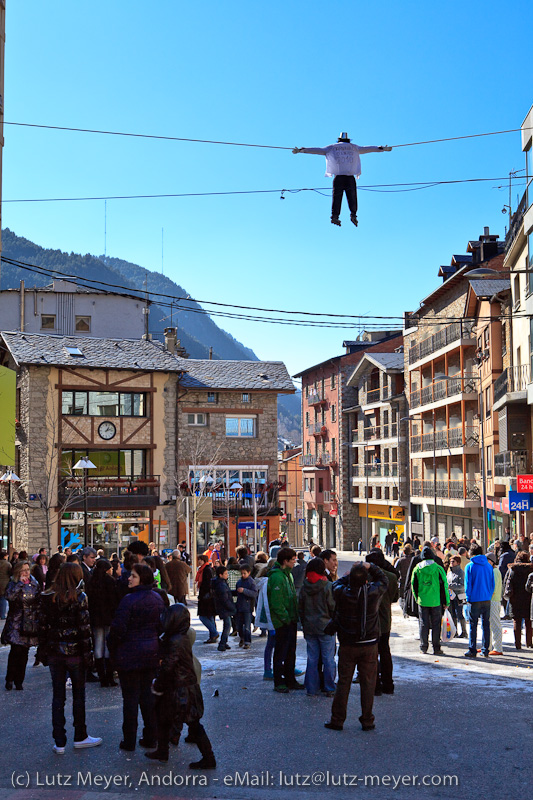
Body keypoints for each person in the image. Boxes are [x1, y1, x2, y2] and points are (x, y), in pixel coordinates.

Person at [37, 562, 102, 752]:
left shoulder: (48, 597)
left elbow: (42, 628)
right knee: (78, 696)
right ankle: (80, 735)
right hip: (75, 654)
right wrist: (88, 655)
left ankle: (59, 740)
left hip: (55, 652)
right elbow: (84, 629)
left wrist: (44, 651)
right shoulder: (79, 597)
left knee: (58, 697)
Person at [145, 604, 216, 769]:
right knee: (164, 719)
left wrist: (158, 683)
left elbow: (168, 666)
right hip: (180, 687)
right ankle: (162, 751)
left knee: (193, 724)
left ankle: (209, 758)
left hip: (181, 689)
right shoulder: (178, 637)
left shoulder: (176, 640)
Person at [107, 563, 165, 751]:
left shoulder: (129, 600)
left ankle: (129, 739)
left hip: (129, 655)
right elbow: (161, 626)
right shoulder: (157, 598)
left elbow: (118, 629)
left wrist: (113, 647)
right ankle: (151, 736)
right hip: (150, 653)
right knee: (148, 697)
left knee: (130, 699)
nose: (129, 578)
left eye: (133, 576)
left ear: (143, 579)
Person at [324, 562, 388, 732]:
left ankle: (337, 719)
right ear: (366, 580)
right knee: (368, 683)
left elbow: (335, 584)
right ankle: (367, 720)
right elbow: (384, 579)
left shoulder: (343, 593)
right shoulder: (373, 592)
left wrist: (347, 577)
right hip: (369, 644)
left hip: (348, 643)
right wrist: (371, 566)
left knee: (344, 682)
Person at [292, 132, 392, 227]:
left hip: (339, 177)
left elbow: (317, 150)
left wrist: (301, 150)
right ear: (348, 140)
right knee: (352, 197)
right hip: (349, 177)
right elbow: (369, 149)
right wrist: (382, 148)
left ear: (338, 140)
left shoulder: (332, 147)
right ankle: (353, 215)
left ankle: (335, 216)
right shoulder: (354, 147)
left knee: (337, 197)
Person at [298, 557, 336, 697]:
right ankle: (329, 687)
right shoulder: (327, 586)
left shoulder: (304, 587)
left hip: (309, 626)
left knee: (312, 658)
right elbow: (332, 607)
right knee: (328, 658)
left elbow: (300, 608)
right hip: (326, 626)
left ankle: (312, 688)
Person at [1, 560, 41, 690]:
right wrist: (19, 584)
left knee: (24, 652)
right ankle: (10, 678)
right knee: (15, 651)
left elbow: (39, 601)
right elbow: (9, 596)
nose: (26, 573)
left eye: (27, 570)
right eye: (23, 570)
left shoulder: (35, 583)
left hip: (30, 622)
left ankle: (19, 680)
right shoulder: (13, 583)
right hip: (16, 621)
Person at [267, 547, 302, 693]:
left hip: (290, 619)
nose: (295, 562)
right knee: (281, 652)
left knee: (290, 651)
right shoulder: (277, 577)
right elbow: (276, 603)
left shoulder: (288, 575)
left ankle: (290, 679)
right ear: (285, 561)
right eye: (293, 559)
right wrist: (285, 618)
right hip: (283, 622)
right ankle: (279, 681)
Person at [366, 549, 398, 695]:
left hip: (369, 620)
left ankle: (375, 685)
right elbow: (395, 598)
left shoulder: (364, 576)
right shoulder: (391, 577)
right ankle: (388, 684)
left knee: (372, 653)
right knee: (385, 651)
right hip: (385, 618)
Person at [86, 558, 120, 687]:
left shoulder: (91, 581)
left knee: (98, 645)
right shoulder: (110, 582)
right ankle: (109, 676)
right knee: (108, 646)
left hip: (95, 618)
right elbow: (114, 602)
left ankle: (102, 677)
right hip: (108, 617)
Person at [411, 546, 450, 655]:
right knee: (436, 624)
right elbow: (444, 586)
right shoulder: (438, 568)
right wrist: (446, 601)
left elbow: (413, 585)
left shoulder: (417, 568)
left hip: (423, 601)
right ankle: (436, 647)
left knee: (423, 624)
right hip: (436, 601)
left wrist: (417, 598)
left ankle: (424, 646)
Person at [464, 544, 495, 658]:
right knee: (486, 624)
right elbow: (492, 583)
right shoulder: (488, 566)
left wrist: (468, 597)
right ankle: (485, 649)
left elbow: (468, 584)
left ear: (471, 553)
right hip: (486, 598)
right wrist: (489, 594)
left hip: (474, 599)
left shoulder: (470, 566)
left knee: (473, 625)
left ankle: (472, 649)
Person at [503, 551, 533, 649]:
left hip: (515, 598)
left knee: (517, 621)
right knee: (528, 621)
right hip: (528, 598)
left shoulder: (512, 569)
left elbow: (506, 583)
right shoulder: (530, 569)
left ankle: (518, 644)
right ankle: (529, 642)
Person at [211, 565, 236, 652]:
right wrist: (233, 607)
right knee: (227, 626)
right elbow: (224, 599)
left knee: (227, 625)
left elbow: (227, 593)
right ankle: (222, 643)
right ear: (220, 575)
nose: (227, 575)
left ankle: (224, 642)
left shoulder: (221, 583)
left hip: (223, 607)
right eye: (225, 574)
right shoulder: (221, 584)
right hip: (224, 608)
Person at [195, 554, 218, 644]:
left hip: (206, 597)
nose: (199, 561)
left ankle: (214, 633)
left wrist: (201, 597)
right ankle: (213, 636)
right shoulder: (205, 569)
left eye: (200, 559)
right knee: (210, 617)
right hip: (209, 597)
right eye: (198, 559)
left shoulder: (206, 570)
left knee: (203, 617)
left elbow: (206, 585)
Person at [235, 564, 258, 649]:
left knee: (247, 626)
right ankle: (242, 638)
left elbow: (254, 593)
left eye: (244, 573)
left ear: (249, 572)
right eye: (242, 573)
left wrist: (244, 591)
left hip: (248, 607)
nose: (243, 575)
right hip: (239, 606)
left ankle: (247, 641)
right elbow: (237, 592)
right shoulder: (239, 582)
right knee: (239, 626)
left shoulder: (251, 582)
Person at [486, 552, 503, 655]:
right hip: (491, 600)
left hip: (493, 600)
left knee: (495, 624)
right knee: (489, 623)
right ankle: (487, 645)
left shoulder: (495, 571)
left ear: (492, 562)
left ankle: (498, 647)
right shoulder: (492, 570)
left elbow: (494, 589)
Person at [447, 555, 467, 638]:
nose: (451, 563)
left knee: (459, 614)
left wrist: (450, 586)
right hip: (450, 596)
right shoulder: (449, 573)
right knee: (452, 614)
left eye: (453, 561)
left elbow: (462, 586)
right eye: (450, 561)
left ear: (458, 562)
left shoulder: (461, 572)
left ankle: (464, 632)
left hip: (459, 596)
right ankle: (454, 631)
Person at [0, 550, 12, 620]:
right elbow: (10, 573)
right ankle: (2, 614)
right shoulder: (7, 564)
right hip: (4, 582)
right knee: (3, 598)